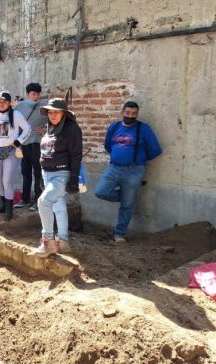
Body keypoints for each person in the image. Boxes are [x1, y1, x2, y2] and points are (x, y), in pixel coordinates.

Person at [94, 101, 162, 242]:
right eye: (128, 113)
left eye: (134, 114)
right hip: (114, 168)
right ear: (122, 113)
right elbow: (108, 145)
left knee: (127, 206)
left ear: (137, 114)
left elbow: (156, 150)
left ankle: (119, 234)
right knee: (100, 191)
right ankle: (127, 196)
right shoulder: (114, 127)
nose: (130, 116)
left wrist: (140, 159)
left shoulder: (143, 129)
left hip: (134, 171)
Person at [36, 98, 83, 255]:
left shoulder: (71, 129)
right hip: (47, 174)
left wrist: (74, 178)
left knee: (44, 202)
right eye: (50, 112)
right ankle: (63, 242)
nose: (52, 115)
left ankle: (48, 241)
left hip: (62, 174)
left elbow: (76, 155)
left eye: (56, 112)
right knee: (58, 206)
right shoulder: (50, 127)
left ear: (64, 113)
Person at [0, 91, 31, 221]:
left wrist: (18, 141)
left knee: (7, 181)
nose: (1, 103)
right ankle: (4, 205)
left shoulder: (16, 114)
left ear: (9, 102)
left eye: (4, 101)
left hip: (11, 152)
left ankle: (9, 210)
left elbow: (27, 129)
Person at [14, 82, 47, 211]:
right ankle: (25, 199)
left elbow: (57, 120)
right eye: (33, 94)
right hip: (24, 144)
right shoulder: (19, 107)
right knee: (25, 172)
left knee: (38, 172)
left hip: (38, 143)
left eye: (38, 94)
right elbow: (14, 124)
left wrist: (46, 130)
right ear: (27, 94)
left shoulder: (45, 105)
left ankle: (38, 201)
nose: (36, 97)